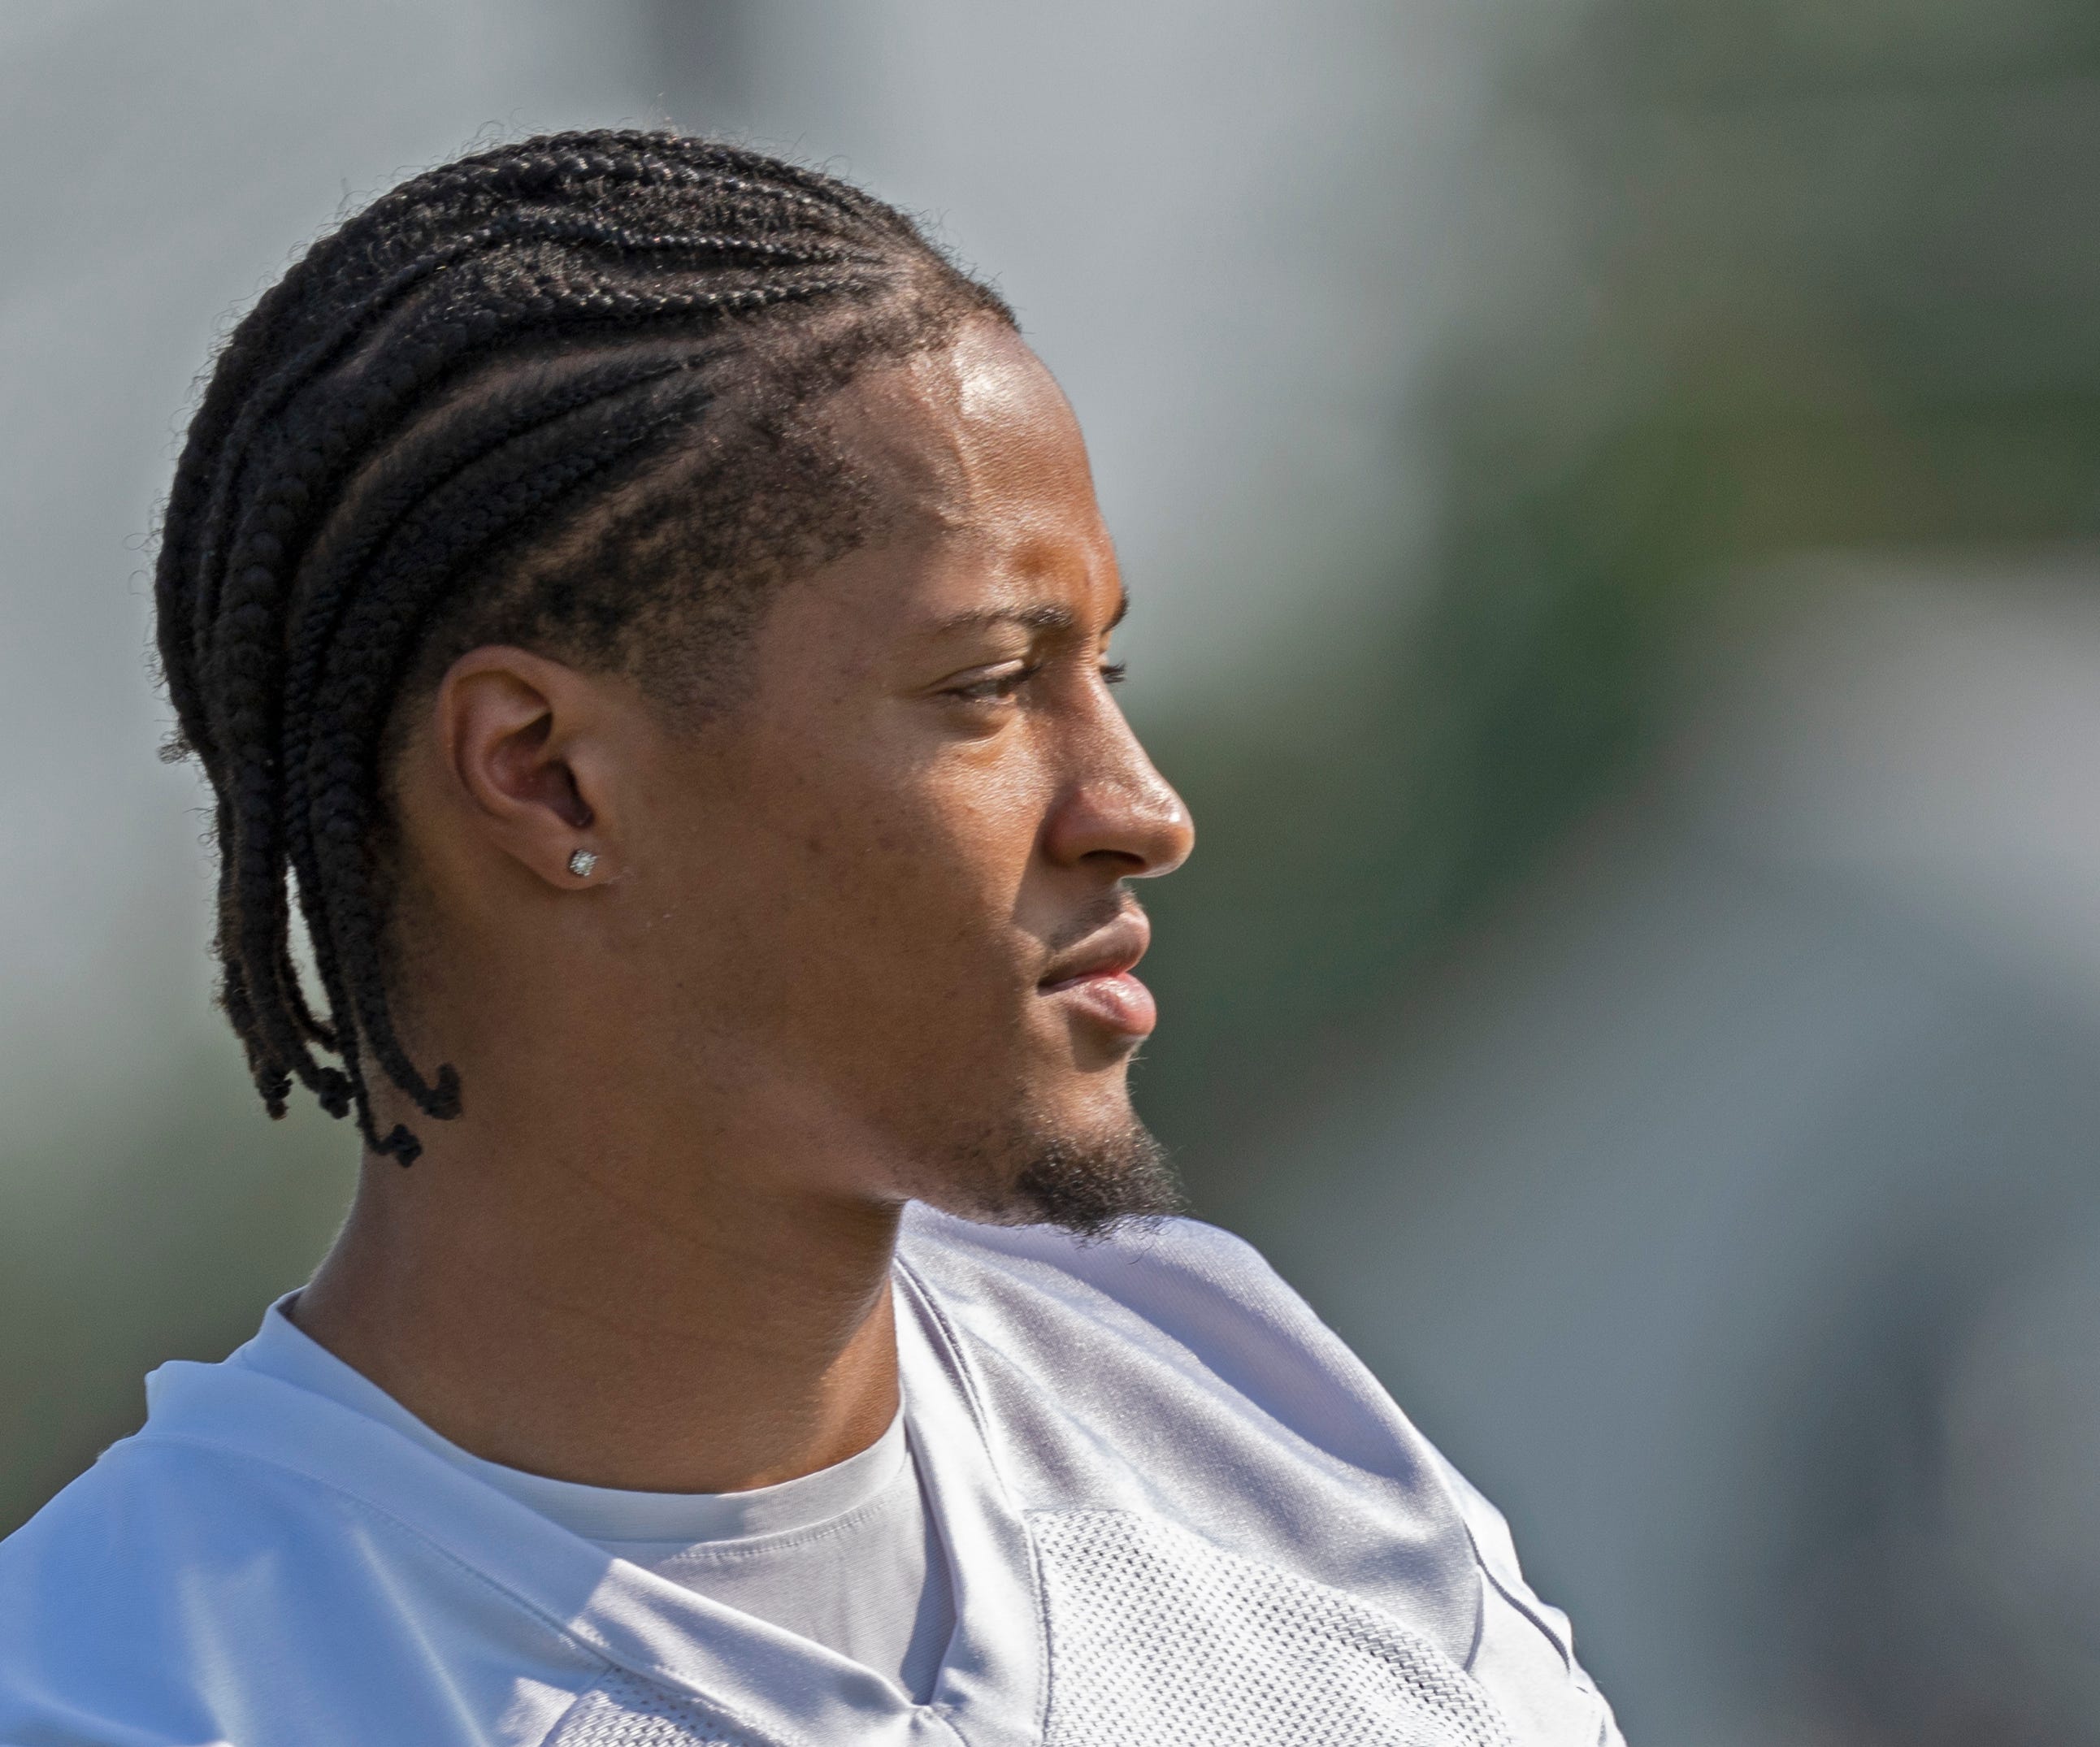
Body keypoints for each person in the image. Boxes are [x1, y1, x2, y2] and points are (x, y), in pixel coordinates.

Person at [0, 132, 1622, 1746]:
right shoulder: (120, 1687)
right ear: (543, 771)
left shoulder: (1241, 1413)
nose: (1137, 808)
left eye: (1101, 677)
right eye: (990, 686)